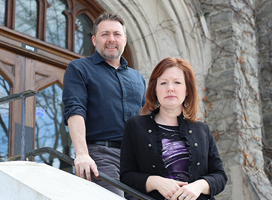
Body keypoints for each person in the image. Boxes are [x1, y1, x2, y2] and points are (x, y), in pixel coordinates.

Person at [62, 12, 146, 197]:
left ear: (124, 39)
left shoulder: (138, 78)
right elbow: (75, 110)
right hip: (100, 156)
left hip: (136, 161)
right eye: (104, 34)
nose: (111, 39)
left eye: (116, 34)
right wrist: (82, 154)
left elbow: (146, 121)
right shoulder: (79, 68)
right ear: (94, 40)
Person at [120, 57, 227, 200]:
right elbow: (126, 176)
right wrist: (155, 182)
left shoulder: (202, 130)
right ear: (155, 90)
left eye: (177, 82)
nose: (170, 88)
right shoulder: (135, 125)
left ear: (187, 90)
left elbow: (220, 176)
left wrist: (198, 186)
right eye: (163, 83)